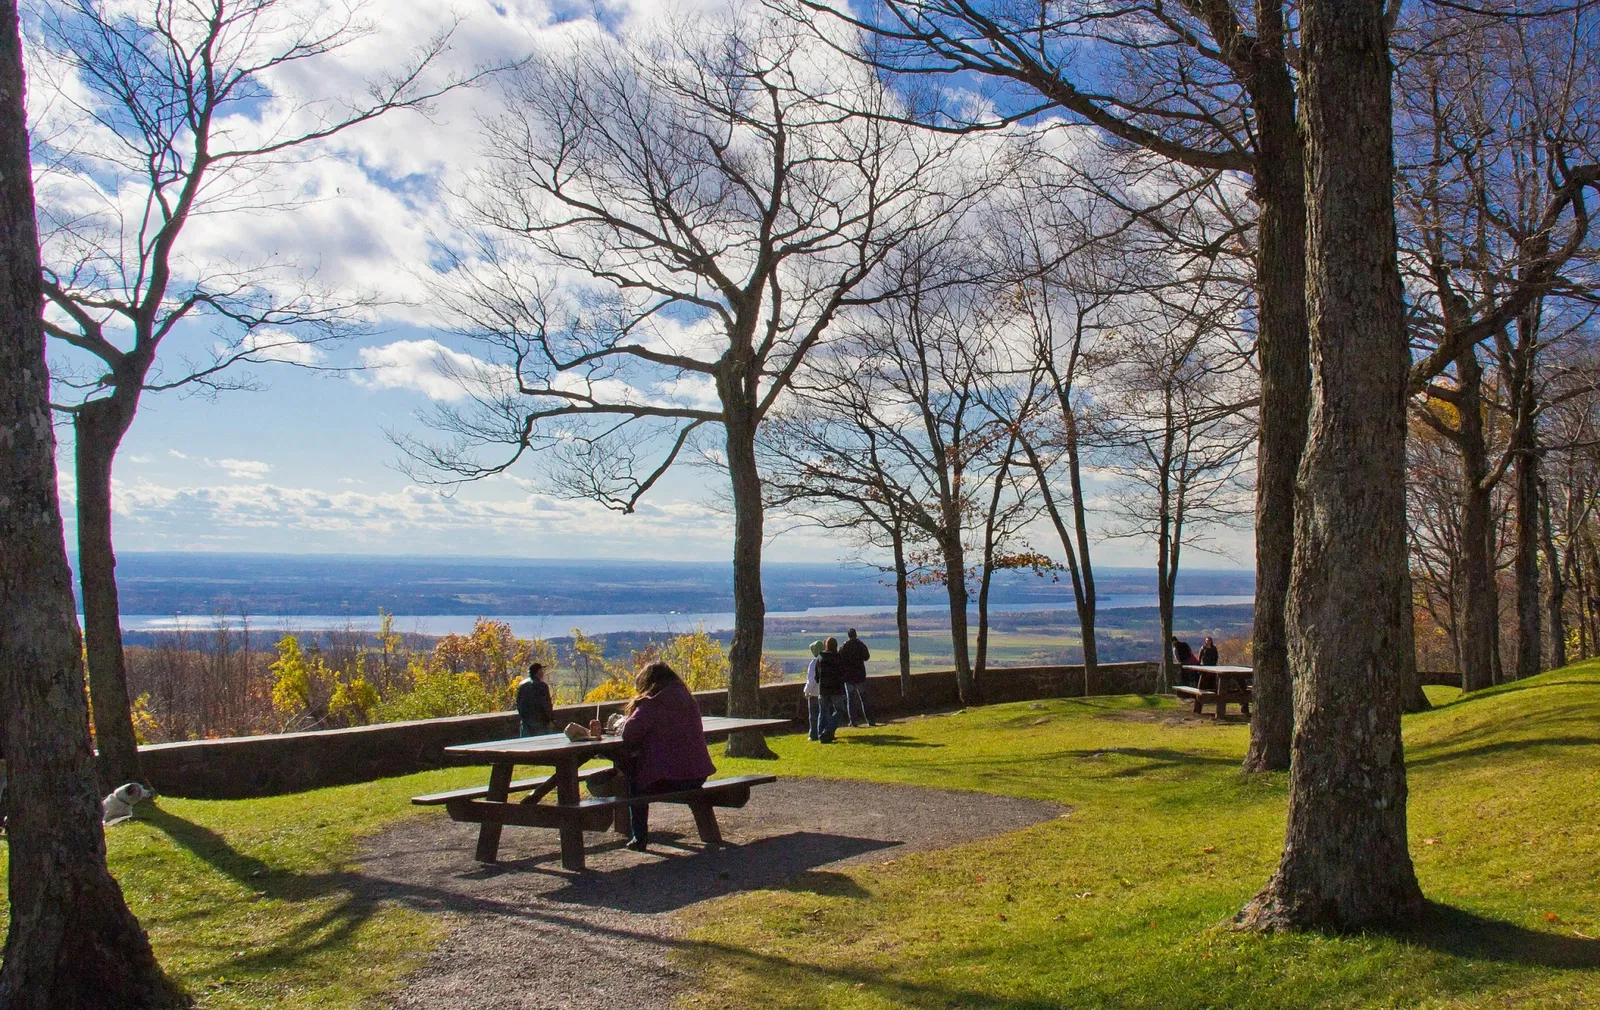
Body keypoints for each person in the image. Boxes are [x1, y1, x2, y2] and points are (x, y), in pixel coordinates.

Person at [618, 662, 716, 852]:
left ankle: (639, 836)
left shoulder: (653, 704)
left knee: (634, 781)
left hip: (669, 778)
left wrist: (637, 708)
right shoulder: (688, 700)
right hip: (698, 775)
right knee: (635, 775)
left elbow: (629, 734)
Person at [815, 637, 849, 743]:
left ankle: (820, 734)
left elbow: (817, 676)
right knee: (839, 710)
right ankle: (828, 731)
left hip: (823, 689)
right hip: (836, 689)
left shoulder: (820, 658)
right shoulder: (838, 658)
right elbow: (843, 673)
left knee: (823, 712)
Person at [839, 628, 875, 727]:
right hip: (860, 676)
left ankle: (853, 721)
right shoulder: (860, 644)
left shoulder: (844, 646)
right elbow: (866, 657)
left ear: (848, 635)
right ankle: (870, 720)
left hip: (848, 677)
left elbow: (840, 659)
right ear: (856, 635)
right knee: (864, 698)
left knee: (850, 699)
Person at [515, 661, 554, 736]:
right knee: (541, 742)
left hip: (526, 722)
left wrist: (523, 717)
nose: (543, 672)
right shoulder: (542, 685)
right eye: (541, 670)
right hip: (540, 722)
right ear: (538, 672)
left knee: (526, 742)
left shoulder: (522, 685)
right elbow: (546, 704)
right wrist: (550, 719)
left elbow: (518, 703)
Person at [804, 639, 825, 741]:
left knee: (813, 716)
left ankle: (813, 734)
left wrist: (806, 691)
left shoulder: (813, 663)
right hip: (824, 692)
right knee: (823, 714)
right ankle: (823, 732)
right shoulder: (825, 660)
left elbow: (811, 680)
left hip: (814, 693)